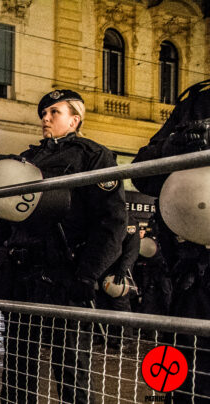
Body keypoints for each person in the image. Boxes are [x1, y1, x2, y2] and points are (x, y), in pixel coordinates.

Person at [0, 90, 127, 403]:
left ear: (75, 119)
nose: (46, 118)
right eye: (44, 113)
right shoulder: (29, 159)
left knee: (70, 366)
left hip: (65, 273)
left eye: (54, 112)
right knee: (17, 364)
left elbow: (112, 222)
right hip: (23, 272)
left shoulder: (93, 155)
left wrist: (89, 273)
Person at [130, 78, 210, 403]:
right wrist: (174, 149)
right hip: (192, 277)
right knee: (187, 383)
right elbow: (142, 170)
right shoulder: (195, 104)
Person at [94, 224, 139, 348]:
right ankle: (107, 337)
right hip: (103, 268)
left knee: (120, 304)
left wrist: (123, 269)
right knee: (102, 304)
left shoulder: (129, 221)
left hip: (117, 270)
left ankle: (125, 338)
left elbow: (132, 249)